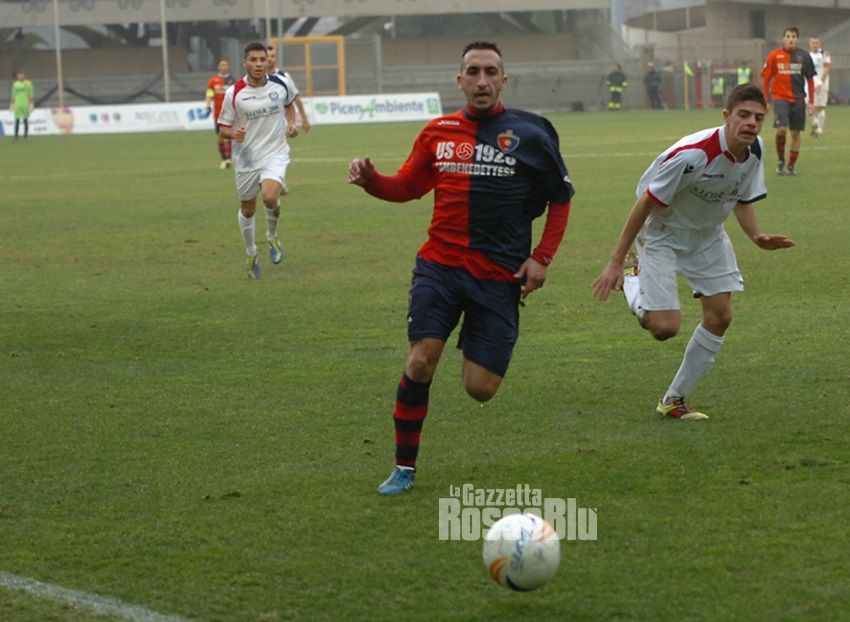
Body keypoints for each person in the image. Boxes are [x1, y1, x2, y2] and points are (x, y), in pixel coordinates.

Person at [347, 41, 574, 496]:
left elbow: (560, 198)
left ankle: (474, 333)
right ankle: (404, 468)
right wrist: (372, 182)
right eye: (473, 72)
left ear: (504, 80)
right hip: (441, 266)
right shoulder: (438, 132)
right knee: (420, 361)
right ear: (460, 80)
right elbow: (407, 187)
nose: (482, 80)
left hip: (498, 276)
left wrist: (541, 258)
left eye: (490, 72)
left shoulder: (532, 133)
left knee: (480, 388)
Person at [591, 83, 795, 421]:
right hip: (662, 233)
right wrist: (615, 261)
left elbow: (741, 198)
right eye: (743, 115)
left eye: (758, 118)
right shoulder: (693, 155)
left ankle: (673, 400)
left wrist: (757, 236)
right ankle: (632, 278)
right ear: (726, 116)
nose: (751, 123)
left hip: (708, 236)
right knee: (664, 328)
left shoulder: (754, 149)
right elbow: (644, 203)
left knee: (720, 316)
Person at [217, 41, 299, 279]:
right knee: (248, 209)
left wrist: (291, 124)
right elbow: (223, 128)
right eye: (253, 60)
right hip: (246, 158)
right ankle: (251, 252)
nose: (259, 64)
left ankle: (272, 237)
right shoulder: (234, 93)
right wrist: (234, 133)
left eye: (262, 59)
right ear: (245, 63)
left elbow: (289, 105)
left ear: (267, 61)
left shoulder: (280, 83)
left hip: (275, 153)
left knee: (270, 196)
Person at [760, 26, 816, 176]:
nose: (791, 39)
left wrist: (811, 101)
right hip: (780, 99)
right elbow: (766, 79)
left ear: (797, 39)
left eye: (793, 37)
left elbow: (810, 80)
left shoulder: (804, 56)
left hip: (798, 100)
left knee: (795, 133)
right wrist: (766, 101)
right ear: (783, 39)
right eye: (788, 36)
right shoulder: (774, 56)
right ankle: (780, 161)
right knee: (781, 130)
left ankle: (791, 165)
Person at [266, 44, 311, 134]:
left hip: (280, 124)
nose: (269, 59)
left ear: (276, 58)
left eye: (272, 56)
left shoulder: (284, 77)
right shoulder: (258, 78)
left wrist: (304, 119)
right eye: (267, 56)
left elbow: (296, 99)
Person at [206, 59, 233, 168]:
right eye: (222, 65)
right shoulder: (213, 80)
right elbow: (209, 94)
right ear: (218, 67)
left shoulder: (233, 81)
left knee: (227, 136)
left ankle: (228, 159)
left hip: (230, 113)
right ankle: (224, 159)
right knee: (220, 139)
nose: (224, 67)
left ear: (228, 66)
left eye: (226, 65)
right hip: (217, 114)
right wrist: (208, 105)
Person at [808, 36, 831, 137]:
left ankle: (819, 131)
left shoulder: (824, 54)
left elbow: (826, 69)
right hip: (809, 84)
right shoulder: (808, 55)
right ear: (810, 44)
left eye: (816, 43)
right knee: (808, 107)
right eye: (813, 43)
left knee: (820, 108)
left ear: (820, 44)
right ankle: (815, 124)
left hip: (821, 85)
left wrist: (820, 83)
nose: (814, 45)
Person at [10, 70, 33, 140]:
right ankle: (16, 135)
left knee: (25, 120)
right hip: (17, 104)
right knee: (17, 120)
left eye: (21, 75)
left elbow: (30, 94)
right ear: (17, 77)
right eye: (19, 76)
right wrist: (12, 104)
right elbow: (13, 94)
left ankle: (25, 135)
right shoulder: (15, 84)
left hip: (25, 104)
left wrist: (31, 104)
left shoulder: (28, 83)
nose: (20, 77)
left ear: (24, 76)